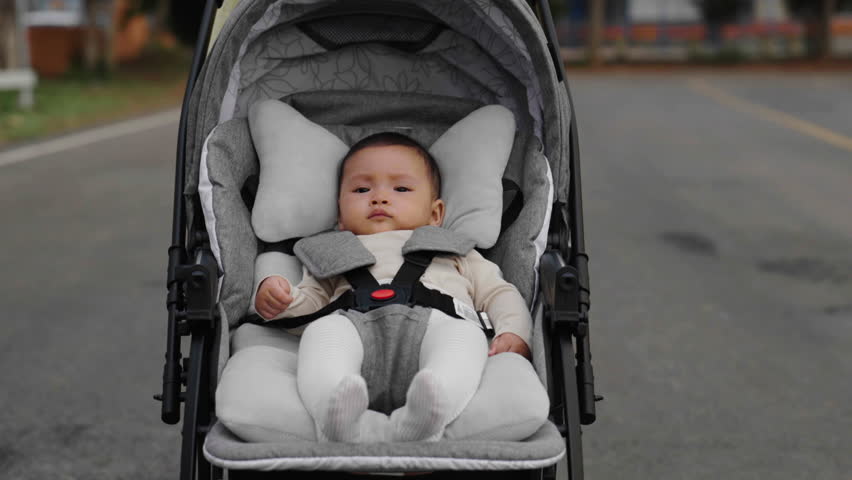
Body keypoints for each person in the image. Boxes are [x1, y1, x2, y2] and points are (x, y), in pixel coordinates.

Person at [254, 133, 532, 443]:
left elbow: (498, 293)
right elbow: (312, 306)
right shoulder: (331, 252)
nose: (379, 198)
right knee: (322, 332)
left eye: (400, 189)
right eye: (362, 189)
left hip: (436, 327)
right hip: (354, 330)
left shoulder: (456, 251)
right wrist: (283, 300)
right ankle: (337, 411)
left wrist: (514, 331)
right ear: (340, 216)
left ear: (435, 214)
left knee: (465, 336)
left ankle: (430, 408)